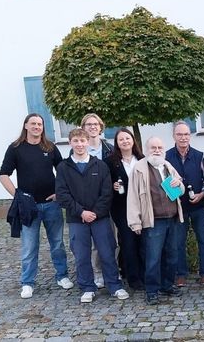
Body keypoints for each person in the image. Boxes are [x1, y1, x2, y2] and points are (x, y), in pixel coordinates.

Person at [0, 113, 73, 299]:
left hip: (51, 205)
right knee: (29, 247)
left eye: (39, 124)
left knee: (57, 244)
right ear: (25, 126)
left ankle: (62, 276)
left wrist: (60, 192)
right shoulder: (16, 148)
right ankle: (27, 282)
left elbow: (63, 170)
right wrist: (17, 196)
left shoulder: (49, 147)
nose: (37, 127)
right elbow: (3, 175)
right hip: (28, 208)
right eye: (33, 124)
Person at [55, 128, 129, 303]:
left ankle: (114, 285)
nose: (80, 145)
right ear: (70, 143)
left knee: (107, 252)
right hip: (77, 219)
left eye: (82, 141)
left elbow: (107, 193)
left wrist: (95, 212)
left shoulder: (100, 165)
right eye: (76, 141)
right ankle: (87, 287)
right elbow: (62, 194)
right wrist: (81, 212)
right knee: (81, 255)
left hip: (100, 218)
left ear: (88, 142)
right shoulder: (63, 167)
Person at [127, 137, 185, 305]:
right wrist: (135, 222)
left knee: (172, 256)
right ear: (146, 149)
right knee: (153, 258)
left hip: (172, 218)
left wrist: (178, 183)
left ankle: (167, 285)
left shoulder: (167, 166)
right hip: (154, 222)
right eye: (153, 147)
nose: (157, 150)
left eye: (160, 147)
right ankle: (152, 291)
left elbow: (180, 189)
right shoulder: (139, 169)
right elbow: (132, 198)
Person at [166, 121, 204, 287]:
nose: (183, 137)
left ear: (190, 136)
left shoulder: (198, 155)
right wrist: (175, 196)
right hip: (179, 208)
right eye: (179, 134)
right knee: (179, 243)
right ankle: (181, 274)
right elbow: (164, 183)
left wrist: (202, 194)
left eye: (186, 134)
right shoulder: (167, 157)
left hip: (198, 206)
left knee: (203, 241)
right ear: (174, 136)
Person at [105, 128, 145, 290]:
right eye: (121, 139)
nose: (125, 141)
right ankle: (133, 278)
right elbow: (104, 184)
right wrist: (111, 186)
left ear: (133, 140)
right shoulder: (110, 162)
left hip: (142, 208)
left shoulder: (142, 159)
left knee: (142, 242)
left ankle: (144, 274)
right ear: (117, 143)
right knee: (128, 243)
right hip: (121, 208)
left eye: (127, 138)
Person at [78, 113, 114, 288]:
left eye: (95, 124)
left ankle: (113, 270)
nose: (92, 127)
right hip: (89, 203)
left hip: (110, 200)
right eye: (88, 124)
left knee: (112, 239)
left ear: (101, 127)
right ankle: (97, 272)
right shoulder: (79, 148)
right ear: (83, 128)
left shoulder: (109, 148)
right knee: (95, 243)